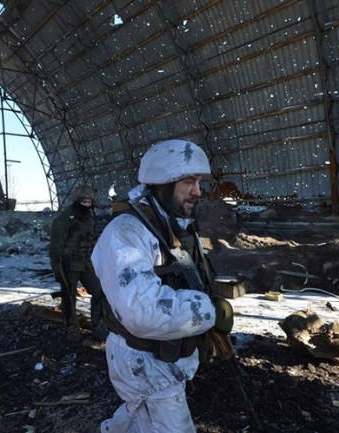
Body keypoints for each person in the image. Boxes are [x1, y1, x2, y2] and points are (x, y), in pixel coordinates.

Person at [90, 139, 234, 433]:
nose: (198, 191)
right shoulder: (126, 233)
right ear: (163, 184)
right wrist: (208, 312)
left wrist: (199, 335)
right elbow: (143, 311)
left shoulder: (172, 224)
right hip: (145, 363)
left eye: (199, 182)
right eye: (189, 182)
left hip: (165, 356)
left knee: (137, 420)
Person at [50, 185, 108, 342]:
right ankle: (71, 329)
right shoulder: (64, 220)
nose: (87, 205)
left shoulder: (90, 218)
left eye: (90, 202)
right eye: (84, 202)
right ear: (77, 201)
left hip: (86, 264)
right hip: (68, 266)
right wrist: (57, 270)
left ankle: (98, 326)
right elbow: (55, 247)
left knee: (99, 292)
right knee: (69, 298)